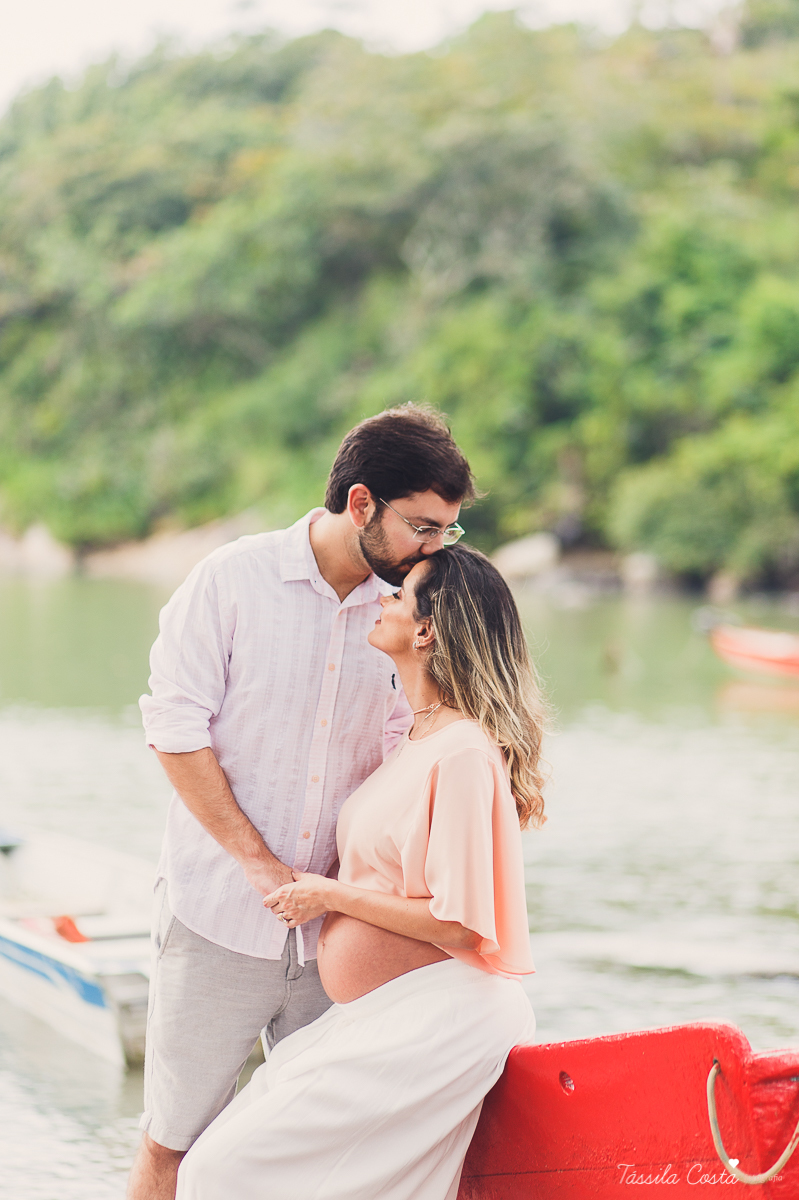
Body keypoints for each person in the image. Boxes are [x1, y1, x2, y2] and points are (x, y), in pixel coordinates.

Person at [127, 405, 476, 1200]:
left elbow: (414, 745)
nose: (436, 550)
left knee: (319, 1166)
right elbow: (174, 729)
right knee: (174, 1144)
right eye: (424, 527)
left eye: (447, 533)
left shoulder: (410, 614)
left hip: (344, 939)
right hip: (216, 917)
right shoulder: (229, 580)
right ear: (361, 503)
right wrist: (260, 867)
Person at [176, 543, 546, 1200]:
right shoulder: (419, 737)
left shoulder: (461, 751)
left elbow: (461, 924)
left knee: (217, 1170)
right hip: (385, 1018)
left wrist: (327, 895)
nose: (384, 597)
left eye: (400, 596)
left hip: (439, 1017)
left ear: (427, 629)